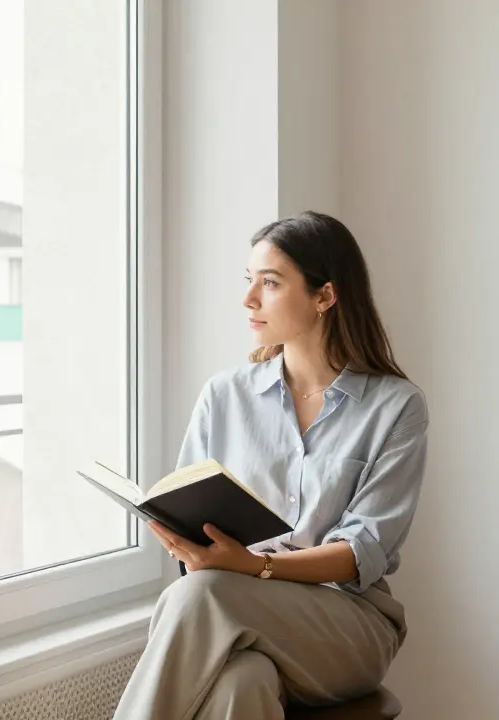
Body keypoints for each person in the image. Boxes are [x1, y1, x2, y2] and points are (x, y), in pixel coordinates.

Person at [114, 211, 430, 720]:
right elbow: (186, 508)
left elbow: (361, 552)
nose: (249, 299)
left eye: (270, 283)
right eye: (249, 281)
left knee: (201, 595)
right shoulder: (224, 395)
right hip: (232, 606)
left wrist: (253, 566)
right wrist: (187, 541)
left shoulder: (396, 407)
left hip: (347, 624)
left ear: (324, 296)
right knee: (243, 684)